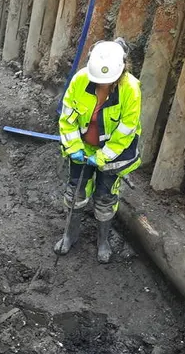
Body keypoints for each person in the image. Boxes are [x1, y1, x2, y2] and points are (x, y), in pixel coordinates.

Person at [55, 38, 141, 264]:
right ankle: (70, 235)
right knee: (75, 192)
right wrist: (75, 148)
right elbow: (67, 118)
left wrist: (102, 157)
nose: (102, 86)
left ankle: (103, 241)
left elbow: (125, 130)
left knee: (105, 196)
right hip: (82, 148)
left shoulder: (130, 89)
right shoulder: (80, 80)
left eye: (107, 83)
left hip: (114, 152)